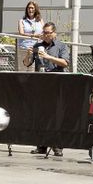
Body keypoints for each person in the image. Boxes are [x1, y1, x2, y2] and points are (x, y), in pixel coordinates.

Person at [24, 22, 70, 157]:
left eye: (47, 33)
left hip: (56, 83)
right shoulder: (37, 46)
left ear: (54, 33)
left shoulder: (61, 46)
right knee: (41, 115)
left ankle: (57, 146)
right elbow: (27, 63)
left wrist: (49, 57)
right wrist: (27, 55)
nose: (45, 35)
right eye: (43, 32)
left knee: (56, 115)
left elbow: (65, 63)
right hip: (40, 84)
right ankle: (41, 145)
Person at [17, 1, 44, 71]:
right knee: (23, 69)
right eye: (29, 8)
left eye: (32, 8)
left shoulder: (40, 20)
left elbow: (44, 32)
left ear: (35, 9)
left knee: (33, 70)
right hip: (24, 48)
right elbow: (21, 33)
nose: (30, 10)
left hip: (37, 48)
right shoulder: (22, 21)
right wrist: (34, 35)